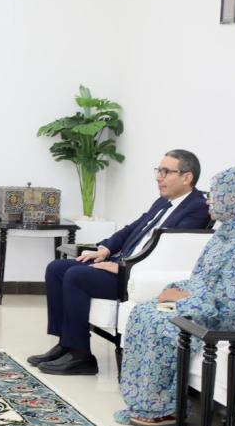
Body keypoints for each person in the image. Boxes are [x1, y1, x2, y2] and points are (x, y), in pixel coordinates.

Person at [114, 165, 235, 426]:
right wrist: (176, 291)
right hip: (212, 304)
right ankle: (149, 403)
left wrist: (182, 299)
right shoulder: (230, 229)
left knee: (160, 321)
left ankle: (163, 409)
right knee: (145, 311)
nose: (208, 200)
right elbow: (204, 277)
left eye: (215, 194)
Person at [31, 149, 212, 375]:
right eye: (158, 171)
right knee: (56, 268)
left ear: (187, 177)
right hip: (124, 264)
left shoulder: (198, 208)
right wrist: (105, 249)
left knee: (77, 276)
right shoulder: (163, 201)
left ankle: (80, 356)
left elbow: (170, 251)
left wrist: (122, 267)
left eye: (166, 172)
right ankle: (65, 344)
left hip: (137, 274)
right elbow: (132, 228)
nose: (159, 177)